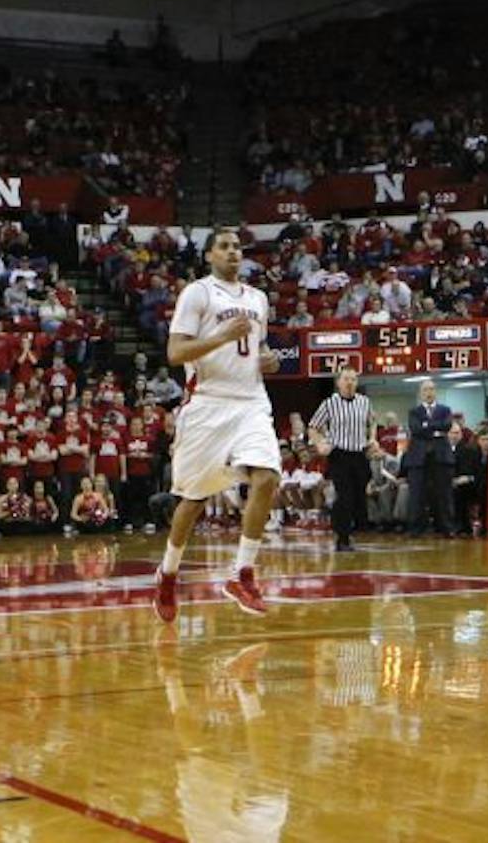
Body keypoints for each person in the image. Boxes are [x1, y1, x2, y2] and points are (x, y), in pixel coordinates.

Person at [154, 228, 279, 622]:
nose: (232, 252)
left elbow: (253, 352)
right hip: (207, 404)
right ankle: (168, 574)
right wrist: (221, 336)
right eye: (224, 247)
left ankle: (242, 573)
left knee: (268, 477)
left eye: (237, 246)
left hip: (250, 402)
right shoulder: (198, 293)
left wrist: (265, 360)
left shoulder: (258, 298)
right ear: (209, 255)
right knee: (192, 502)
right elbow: (175, 353)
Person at [308, 368, 373, 552]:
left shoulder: (365, 402)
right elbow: (313, 427)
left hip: (359, 454)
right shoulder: (329, 404)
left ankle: (352, 528)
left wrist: (372, 439)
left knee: (359, 496)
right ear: (338, 382)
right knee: (344, 496)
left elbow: (372, 422)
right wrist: (320, 443)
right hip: (339, 455)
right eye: (346, 379)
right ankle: (342, 537)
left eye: (353, 379)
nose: (350, 382)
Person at [403, 380, 455, 535]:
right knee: (417, 494)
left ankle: (446, 527)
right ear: (421, 393)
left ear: (435, 391)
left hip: (441, 457)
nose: (429, 392)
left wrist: (427, 425)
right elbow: (416, 428)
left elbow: (446, 425)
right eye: (425, 390)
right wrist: (435, 428)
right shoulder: (414, 411)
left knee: (443, 494)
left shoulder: (445, 410)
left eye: (432, 389)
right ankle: (416, 527)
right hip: (419, 459)